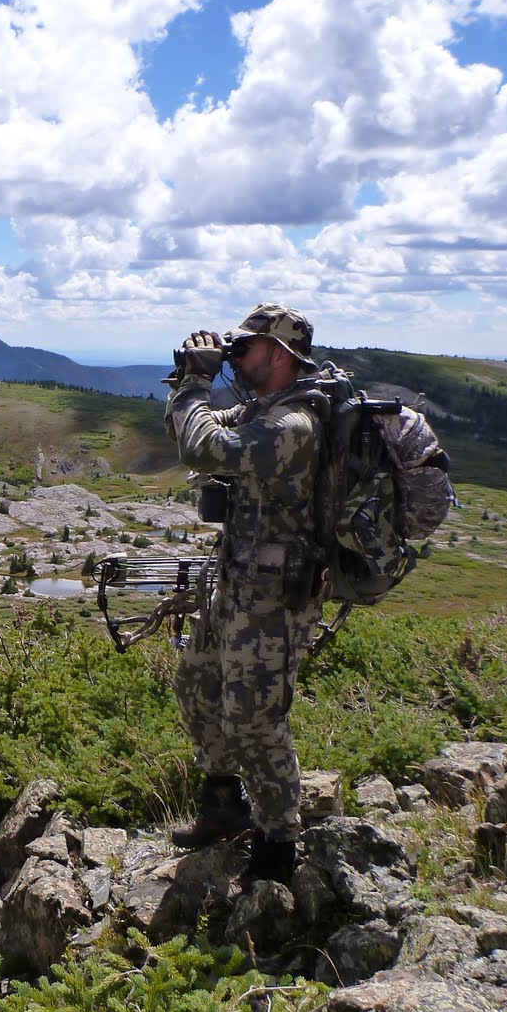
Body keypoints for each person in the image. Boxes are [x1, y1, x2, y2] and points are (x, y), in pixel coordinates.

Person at [162, 303, 327, 885]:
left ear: (280, 353)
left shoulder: (294, 426)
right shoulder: (261, 410)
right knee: (199, 683)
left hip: (276, 597)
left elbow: (204, 449)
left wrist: (198, 384)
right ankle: (222, 803)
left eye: (246, 347)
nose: (236, 354)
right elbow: (195, 428)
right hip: (236, 582)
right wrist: (188, 385)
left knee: (256, 716)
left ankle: (279, 844)